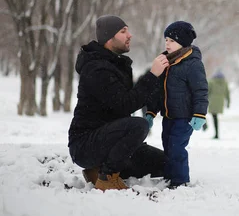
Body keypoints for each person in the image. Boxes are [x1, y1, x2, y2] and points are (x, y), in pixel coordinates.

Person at [68, 15, 169, 191]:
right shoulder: (96, 69)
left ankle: (97, 170)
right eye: (123, 31)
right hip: (85, 145)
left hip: (109, 140)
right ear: (109, 38)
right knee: (139, 125)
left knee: (168, 164)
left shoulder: (117, 65)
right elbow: (125, 104)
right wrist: (151, 76)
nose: (130, 35)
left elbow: (127, 102)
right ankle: (107, 177)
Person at [145, 21, 209, 188]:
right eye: (166, 39)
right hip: (168, 115)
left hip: (185, 116)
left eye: (172, 40)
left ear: (183, 42)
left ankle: (180, 181)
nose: (167, 43)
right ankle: (169, 176)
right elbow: (158, 91)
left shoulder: (192, 64)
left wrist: (200, 114)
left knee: (176, 147)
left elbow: (201, 90)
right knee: (167, 144)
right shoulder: (165, 62)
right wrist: (151, 112)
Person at [208, 69, 230, 139]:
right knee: (215, 117)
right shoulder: (225, 83)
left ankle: (216, 134)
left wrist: (204, 100)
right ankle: (216, 133)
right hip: (220, 103)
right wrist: (228, 102)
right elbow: (227, 93)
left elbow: (207, 92)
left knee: (214, 117)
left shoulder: (211, 82)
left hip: (212, 102)